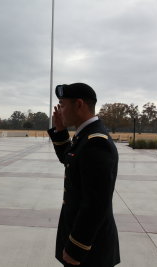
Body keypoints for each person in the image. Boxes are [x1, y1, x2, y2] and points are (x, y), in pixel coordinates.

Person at [48, 83, 120, 267]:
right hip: (79, 236)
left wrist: (76, 248)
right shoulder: (85, 136)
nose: (59, 111)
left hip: (90, 249)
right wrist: (60, 131)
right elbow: (69, 159)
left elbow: (96, 205)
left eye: (62, 105)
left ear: (79, 104)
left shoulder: (96, 142)